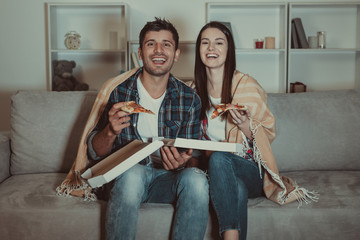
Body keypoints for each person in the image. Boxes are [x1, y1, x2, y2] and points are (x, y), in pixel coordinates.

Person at [63, 17, 209, 240]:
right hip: (125, 179)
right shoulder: (118, 92)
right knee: (132, 174)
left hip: (166, 180)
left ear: (176, 54)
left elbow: (195, 156)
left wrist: (185, 162)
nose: (158, 50)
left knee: (197, 179)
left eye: (166, 45)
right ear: (140, 53)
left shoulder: (189, 99)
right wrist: (110, 131)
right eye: (151, 44)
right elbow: (95, 152)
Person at [193, 21, 318, 240]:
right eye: (205, 43)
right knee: (236, 189)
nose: (211, 48)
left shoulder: (246, 85)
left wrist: (243, 124)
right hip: (213, 170)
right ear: (199, 50)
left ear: (228, 50)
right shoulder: (193, 92)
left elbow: (268, 133)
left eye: (218, 43)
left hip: (251, 170)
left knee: (221, 159)